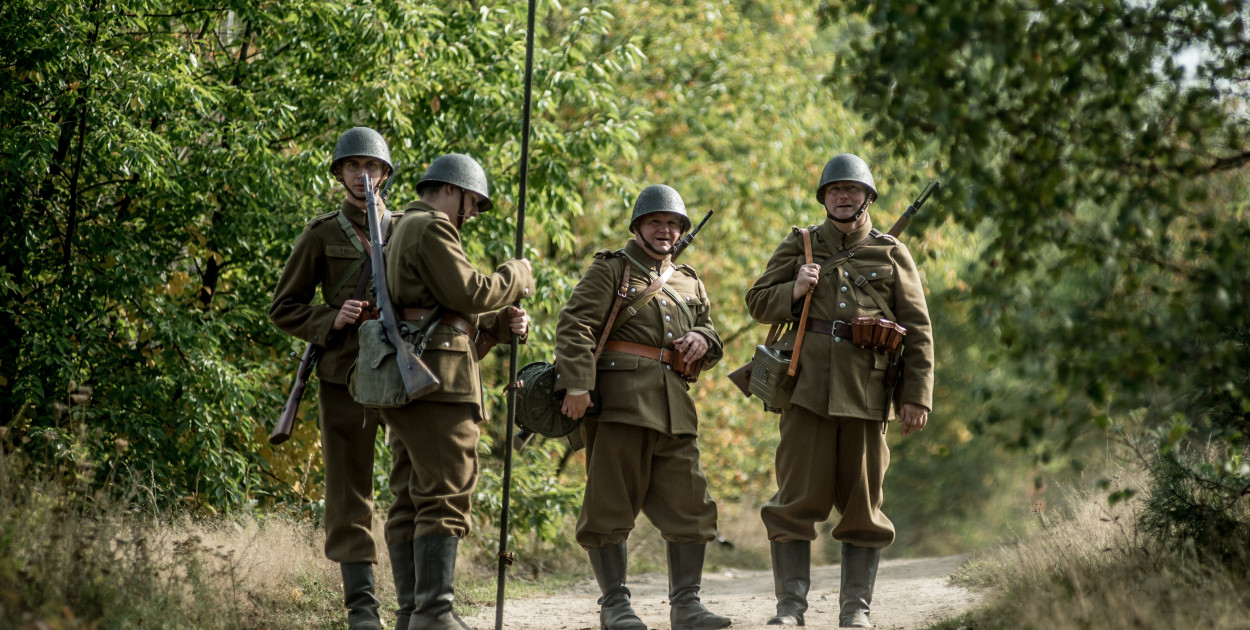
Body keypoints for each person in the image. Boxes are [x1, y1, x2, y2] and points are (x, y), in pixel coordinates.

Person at [744, 153, 935, 628]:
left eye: (852, 189)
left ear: (868, 197)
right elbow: (757, 303)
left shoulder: (891, 253)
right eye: (835, 190)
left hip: (867, 394)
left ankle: (855, 610)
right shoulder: (801, 244)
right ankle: (790, 609)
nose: (844, 196)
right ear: (824, 198)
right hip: (805, 391)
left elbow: (918, 329)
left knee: (863, 506)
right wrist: (793, 289)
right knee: (793, 502)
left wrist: (916, 396)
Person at [556, 185, 731, 630]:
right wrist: (577, 384)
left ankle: (687, 606)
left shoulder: (689, 280)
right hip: (620, 403)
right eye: (655, 222)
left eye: (673, 224)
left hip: (675, 408)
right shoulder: (612, 268)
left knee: (692, 504)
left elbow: (711, 333)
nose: (665, 230)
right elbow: (576, 325)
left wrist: (703, 339)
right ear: (638, 226)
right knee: (609, 505)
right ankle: (615, 605)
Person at [379, 153, 534, 630]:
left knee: (411, 497)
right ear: (452, 190)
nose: (472, 214)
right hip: (439, 384)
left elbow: (440, 307)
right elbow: (470, 291)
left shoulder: (401, 227)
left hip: (414, 377)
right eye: (472, 203)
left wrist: (497, 327)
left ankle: (413, 613)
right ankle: (433, 614)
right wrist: (516, 275)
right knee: (446, 493)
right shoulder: (432, 227)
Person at [269, 126, 413, 630]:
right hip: (343, 374)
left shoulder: (409, 230)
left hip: (403, 371)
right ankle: (363, 609)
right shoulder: (321, 234)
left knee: (415, 483)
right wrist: (331, 317)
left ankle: (418, 605)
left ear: (385, 173)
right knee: (349, 490)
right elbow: (283, 307)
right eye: (352, 166)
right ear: (339, 173)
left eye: (371, 166)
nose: (362, 175)